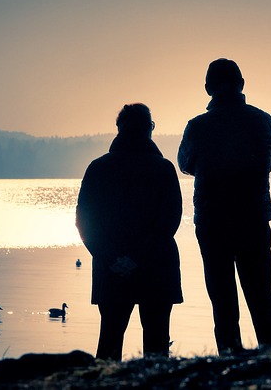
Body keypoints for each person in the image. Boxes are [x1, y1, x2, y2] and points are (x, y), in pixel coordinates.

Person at [178, 58, 271, 355]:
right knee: (262, 298)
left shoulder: (197, 126)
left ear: (208, 88)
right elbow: (269, 161)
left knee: (223, 303)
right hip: (254, 218)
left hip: (213, 222)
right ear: (242, 85)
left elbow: (185, 164)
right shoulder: (262, 120)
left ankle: (229, 361)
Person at [76, 103, 183, 361]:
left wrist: (111, 258)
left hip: (111, 270)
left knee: (110, 342)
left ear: (119, 129)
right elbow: (170, 221)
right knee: (157, 347)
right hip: (156, 267)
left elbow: (85, 222)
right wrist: (139, 258)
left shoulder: (98, 168)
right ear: (149, 129)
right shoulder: (163, 169)